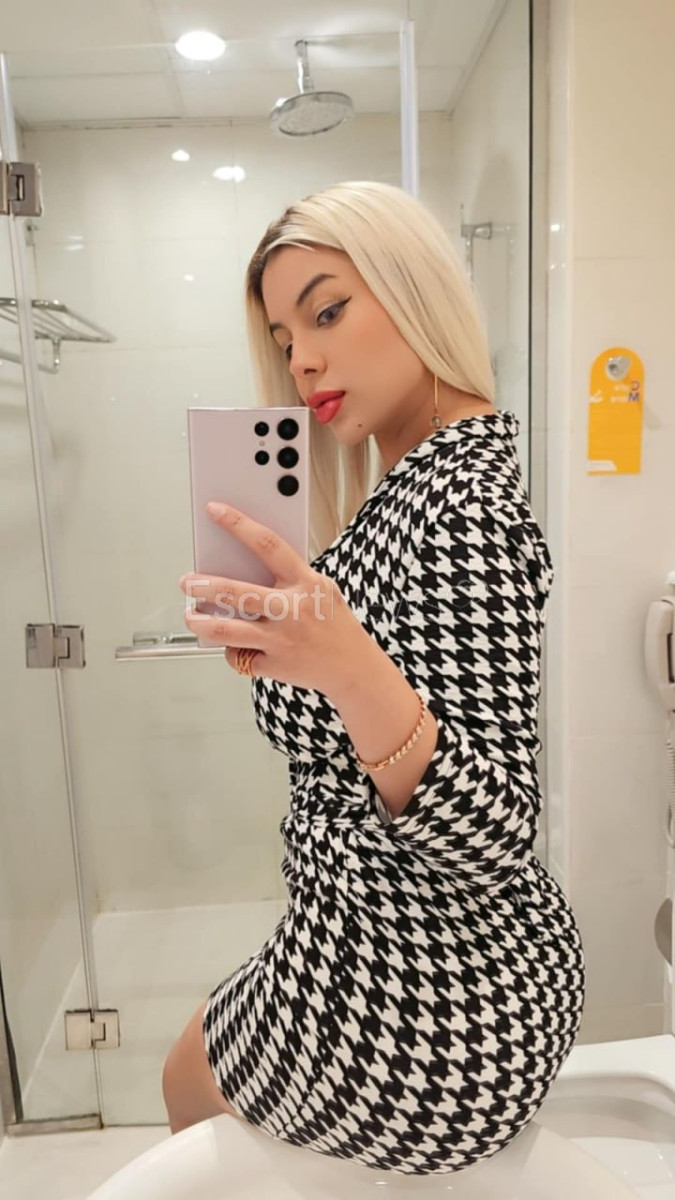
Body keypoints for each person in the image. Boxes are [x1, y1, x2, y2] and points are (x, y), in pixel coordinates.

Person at [162, 180, 586, 1175]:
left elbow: (494, 830)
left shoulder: (463, 504)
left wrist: (345, 670)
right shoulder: (411, 488)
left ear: (414, 288)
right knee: (191, 1068)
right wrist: (304, 657)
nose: (301, 360)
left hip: (432, 992)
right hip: (385, 944)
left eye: (327, 311)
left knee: (186, 1075)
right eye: (284, 337)